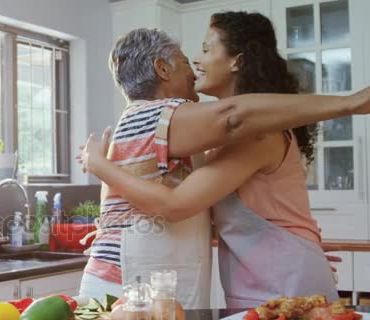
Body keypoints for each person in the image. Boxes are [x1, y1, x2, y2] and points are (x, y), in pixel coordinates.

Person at [76, 22, 370, 309]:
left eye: (205, 49)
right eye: (185, 59)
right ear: (162, 69)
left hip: (277, 281)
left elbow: (193, 199)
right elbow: (231, 120)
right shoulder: (159, 116)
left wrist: (299, 248)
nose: (194, 62)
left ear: (236, 62)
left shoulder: (231, 134)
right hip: (132, 288)